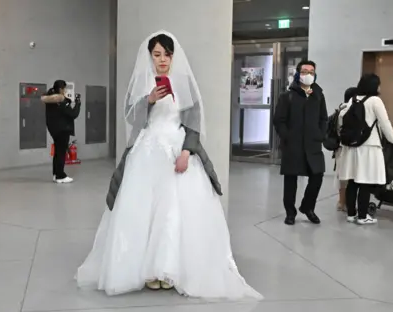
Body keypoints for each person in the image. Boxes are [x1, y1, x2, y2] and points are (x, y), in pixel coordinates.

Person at [76, 31, 263, 300]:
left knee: (174, 209)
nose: (162, 59)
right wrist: (149, 100)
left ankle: (170, 268)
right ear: (150, 56)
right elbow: (131, 116)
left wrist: (187, 151)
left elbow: (194, 123)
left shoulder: (185, 83)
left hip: (177, 148)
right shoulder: (143, 83)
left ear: (174, 56)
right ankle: (148, 270)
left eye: (167, 54)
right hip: (147, 149)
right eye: (157, 54)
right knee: (142, 209)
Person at [273, 60, 328, 225]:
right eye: (305, 71)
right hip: (293, 145)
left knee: (317, 176)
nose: (308, 75)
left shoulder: (318, 95)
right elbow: (278, 120)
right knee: (291, 180)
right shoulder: (287, 96)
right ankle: (290, 212)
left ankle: (307, 207)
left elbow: (323, 118)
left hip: (313, 144)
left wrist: (320, 133)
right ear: (298, 73)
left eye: (311, 72)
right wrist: (287, 136)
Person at [338, 74, 393, 225]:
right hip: (369, 148)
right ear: (374, 86)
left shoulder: (353, 99)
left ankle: (351, 215)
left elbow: (341, 119)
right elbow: (385, 123)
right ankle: (363, 216)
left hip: (351, 147)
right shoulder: (375, 101)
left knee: (352, 181)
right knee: (365, 182)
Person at [41, 80, 81, 183]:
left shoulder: (50, 99)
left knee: (57, 153)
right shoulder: (61, 101)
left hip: (54, 130)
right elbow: (73, 114)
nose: (65, 90)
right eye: (64, 88)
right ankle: (61, 175)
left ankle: (56, 174)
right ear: (60, 89)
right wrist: (78, 103)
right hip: (62, 130)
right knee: (61, 153)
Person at [335, 87, 357, 212]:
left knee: (341, 176)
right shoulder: (348, 111)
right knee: (347, 176)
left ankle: (341, 201)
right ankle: (344, 202)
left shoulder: (340, 109)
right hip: (346, 147)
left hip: (339, 148)